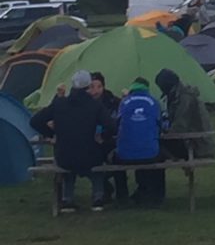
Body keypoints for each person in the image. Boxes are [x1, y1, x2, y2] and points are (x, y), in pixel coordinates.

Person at [30, 70, 114, 213]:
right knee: (97, 164)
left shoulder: (59, 104)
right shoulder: (95, 106)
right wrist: (103, 137)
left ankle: (68, 199)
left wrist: (51, 133)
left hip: (64, 155)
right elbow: (112, 126)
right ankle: (98, 198)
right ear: (88, 86)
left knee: (68, 166)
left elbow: (35, 121)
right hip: (90, 155)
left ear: (72, 86)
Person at [115, 77, 164, 205]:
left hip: (124, 155)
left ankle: (122, 195)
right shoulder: (154, 102)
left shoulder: (123, 103)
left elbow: (116, 124)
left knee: (113, 159)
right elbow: (162, 125)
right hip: (150, 155)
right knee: (159, 154)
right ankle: (157, 195)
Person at [155, 69, 215, 160]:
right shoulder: (180, 96)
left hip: (196, 145)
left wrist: (163, 134)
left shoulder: (185, 99)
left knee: (154, 146)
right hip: (191, 140)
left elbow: (180, 126)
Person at [88, 72, 127, 203]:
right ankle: (104, 189)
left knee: (117, 159)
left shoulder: (113, 101)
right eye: (92, 87)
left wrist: (105, 136)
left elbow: (118, 123)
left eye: (99, 86)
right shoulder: (84, 104)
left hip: (112, 141)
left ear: (103, 87)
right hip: (91, 143)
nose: (95, 91)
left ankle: (122, 195)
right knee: (89, 162)